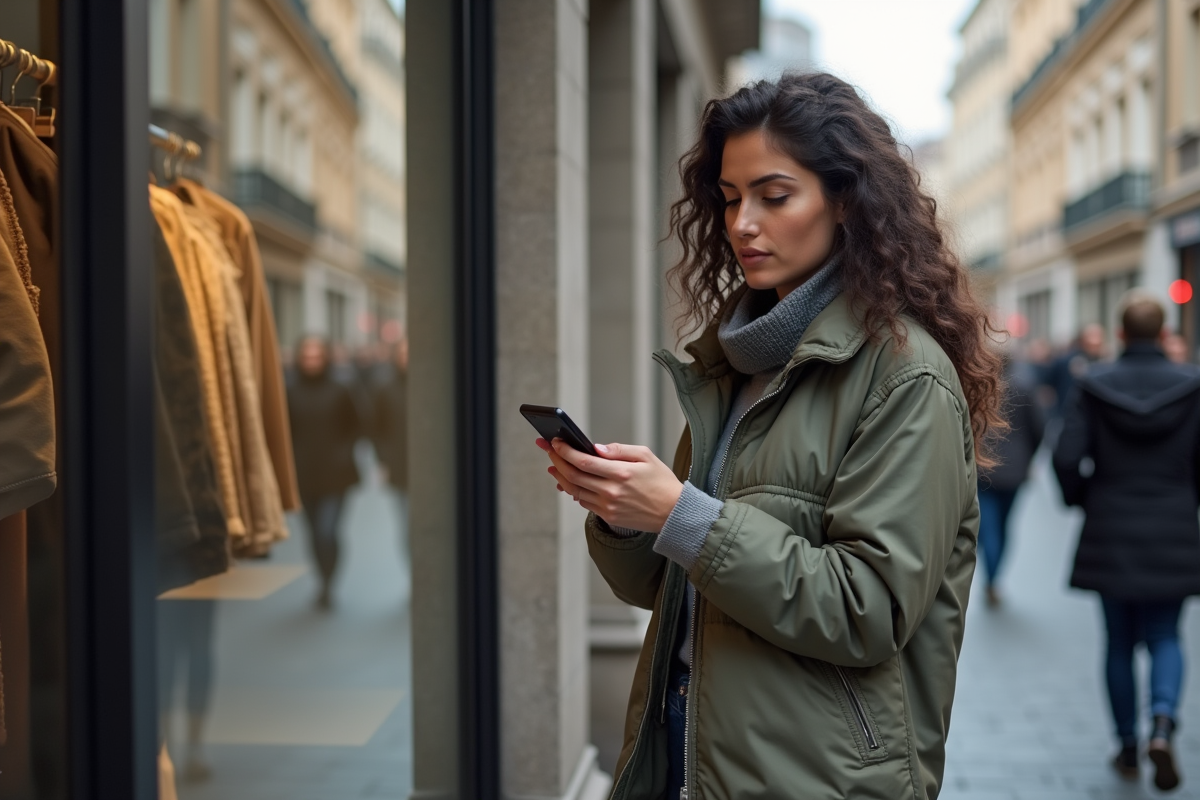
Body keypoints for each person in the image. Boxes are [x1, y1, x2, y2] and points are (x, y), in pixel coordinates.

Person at [537, 73, 1003, 799]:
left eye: (773, 196)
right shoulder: (736, 362)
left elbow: (867, 609)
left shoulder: (906, 376)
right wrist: (624, 514)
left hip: (819, 776)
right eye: (728, 199)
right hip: (691, 757)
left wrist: (679, 513)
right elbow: (673, 590)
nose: (741, 223)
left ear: (844, 199)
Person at [1053, 291, 1200, 791]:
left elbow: (1066, 456)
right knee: (1164, 634)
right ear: (1163, 334)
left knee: (1118, 641)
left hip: (1110, 524)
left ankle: (1127, 745)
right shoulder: (1192, 385)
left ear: (1119, 334)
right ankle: (1162, 720)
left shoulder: (1093, 384)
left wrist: (1082, 499)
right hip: (1175, 523)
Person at [287, 335, 361, 609]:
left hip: (336, 475)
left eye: (317, 356)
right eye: (307, 357)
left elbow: (356, 425)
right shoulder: (290, 390)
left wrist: (343, 452)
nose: (312, 362)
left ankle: (330, 582)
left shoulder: (341, 389)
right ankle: (322, 580)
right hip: (304, 474)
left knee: (327, 531)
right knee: (313, 533)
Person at [976, 352, 1045, 607]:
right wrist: (1030, 457)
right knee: (1004, 525)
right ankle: (994, 578)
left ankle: (991, 576)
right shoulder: (1024, 387)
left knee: (988, 525)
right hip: (1015, 468)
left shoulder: (980, 386)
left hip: (984, 465)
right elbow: (1039, 427)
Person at [372, 337, 410, 581]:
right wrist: (382, 461)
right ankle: (414, 575)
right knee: (408, 527)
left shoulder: (433, 387)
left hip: (432, 472)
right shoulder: (385, 388)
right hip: (399, 467)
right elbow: (377, 429)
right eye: (403, 353)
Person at [1047, 323, 1107, 418]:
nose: (1096, 341)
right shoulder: (1065, 362)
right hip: (1066, 416)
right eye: (1092, 336)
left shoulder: (1106, 365)